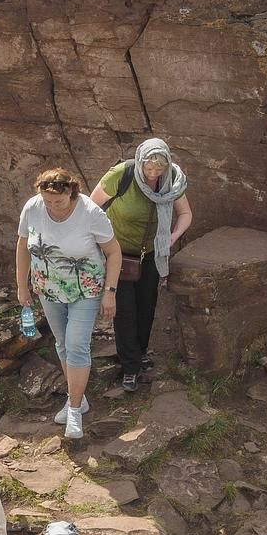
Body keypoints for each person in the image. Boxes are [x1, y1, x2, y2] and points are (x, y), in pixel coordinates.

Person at [15, 167, 120, 442]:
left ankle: (73, 410)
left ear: (71, 194)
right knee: (62, 343)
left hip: (86, 288)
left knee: (76, 345)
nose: (51, 206)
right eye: (47, 200)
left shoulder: (90, 213)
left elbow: (114, 251)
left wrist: (110, 291)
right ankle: (79, 398)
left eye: (58, 201)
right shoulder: (33, 207)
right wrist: (22, 286)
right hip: (48, 289)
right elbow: (23, 246)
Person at [91, 138, 191, 394]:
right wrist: (100, 244)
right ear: (140, 163)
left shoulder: (172, 181)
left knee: (146, 307)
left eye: (158, 170)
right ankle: (130, 367)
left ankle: (139, 352)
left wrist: (172, 237)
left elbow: (186, 213)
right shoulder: (123, 174)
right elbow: (92, 208)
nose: (152, 175)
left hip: (152, 255)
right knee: (124, 310)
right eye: (148, 169)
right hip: (118, 253)